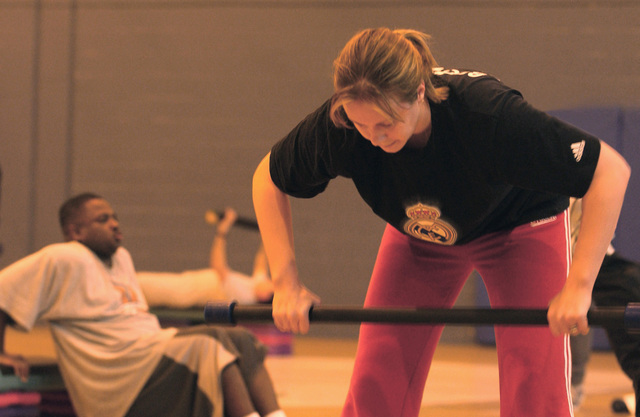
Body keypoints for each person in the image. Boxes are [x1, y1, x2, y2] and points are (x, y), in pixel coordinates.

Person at [251, 27, 631, 416]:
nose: (374, 139)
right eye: (361, 125)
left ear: (419, 92)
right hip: (421, 235)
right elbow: (268, 179)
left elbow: (610, 173)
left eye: (385, 124)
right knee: (377, 380)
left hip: (518, 227)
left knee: (533, 387)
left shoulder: (490, 116)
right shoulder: (342, 126)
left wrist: (580, 287)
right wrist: (286, 284)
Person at [0, 193, 286, 417]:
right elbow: (4, 288)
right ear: (75, 232)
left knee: (240, 338)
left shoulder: (122, 257)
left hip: (150, 354)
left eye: (114, 216)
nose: (114, 223)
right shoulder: (62, 258)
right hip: (119, 379)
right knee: (208, 344)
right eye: (102, 219)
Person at [569, 198, 640, 415]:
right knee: (571, 309)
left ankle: (574, 386)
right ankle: (572, 387)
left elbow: (614, 174)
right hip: (547, 255)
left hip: (593, 256)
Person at [137, 207, 274, 308]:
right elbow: (261, 263)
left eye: (271, 286)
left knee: (140, 284)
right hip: (188, 282)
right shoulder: (255, 285)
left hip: (184, 293)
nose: (270, 282)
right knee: (138, 282)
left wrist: (222, 231)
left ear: (265, 296)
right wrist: (267, 237)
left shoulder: (245, 297)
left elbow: (218, 266)